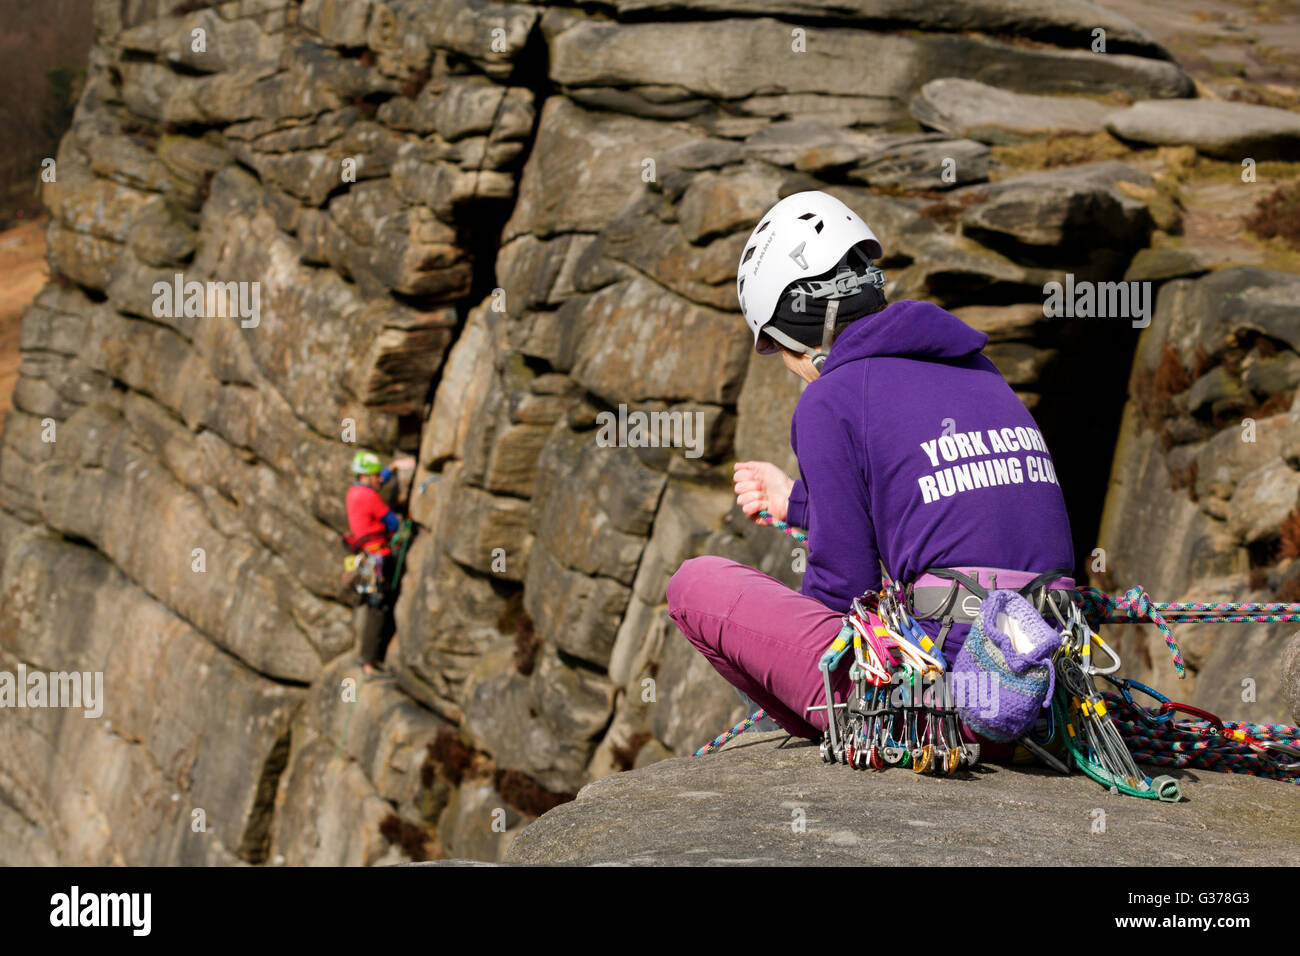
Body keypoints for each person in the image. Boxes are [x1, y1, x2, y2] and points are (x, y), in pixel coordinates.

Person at [666, 191, 1076, 760]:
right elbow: (935, 505)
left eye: (778, 347)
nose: (788, 366)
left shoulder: (830, 398)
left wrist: (794, 667)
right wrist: (798, 503)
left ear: (798, 326)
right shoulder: (977, 368)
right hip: (1043, 680)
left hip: (952, 704)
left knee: (694, 585)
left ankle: (842, 731)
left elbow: (843, 591)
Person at [345, 451, 414, 675]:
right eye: (374, 476)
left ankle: (366, 655)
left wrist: (392, 468)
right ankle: (369, 663)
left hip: (366, 557)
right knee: (378, 607)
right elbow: (392, 522)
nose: (378, 479)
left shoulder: (354, 492)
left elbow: (377, 482)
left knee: (372, 603)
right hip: (376, 558)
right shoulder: (369, 497)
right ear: (364, 477)